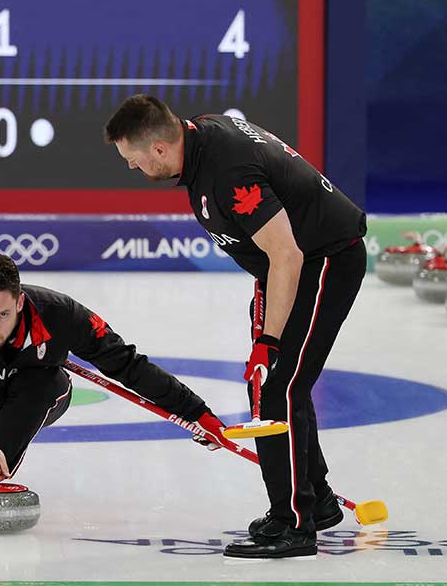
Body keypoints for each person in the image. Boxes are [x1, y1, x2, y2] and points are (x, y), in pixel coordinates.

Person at [104, 95, 367, 559]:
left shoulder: (226, 173)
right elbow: (273, 259)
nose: (134, 169)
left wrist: (268, 339)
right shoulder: (200, 140)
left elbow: (287, 254)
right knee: (267, 385)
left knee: (280, 389)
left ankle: (294, 525)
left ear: (160, 150)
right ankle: (316, 500)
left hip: (322, 261)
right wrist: (264, 339)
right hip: (283, 270)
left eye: (134, 161)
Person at [0, 254, 228, 493]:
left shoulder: (59, 314)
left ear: (20, 302)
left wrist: (198, 412)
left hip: (37, 390)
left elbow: (127, 364)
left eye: (3, 315)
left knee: (39, 389)